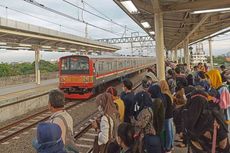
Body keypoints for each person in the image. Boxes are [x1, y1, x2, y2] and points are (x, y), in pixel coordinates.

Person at [159, 80, 174, 153]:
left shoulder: (164, 95)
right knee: (170, 131)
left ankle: (168, 147)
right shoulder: (168, 93)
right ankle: (171, 145)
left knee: (167, 131)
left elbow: (164, 107)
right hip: (170, 115)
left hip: (167, 116)